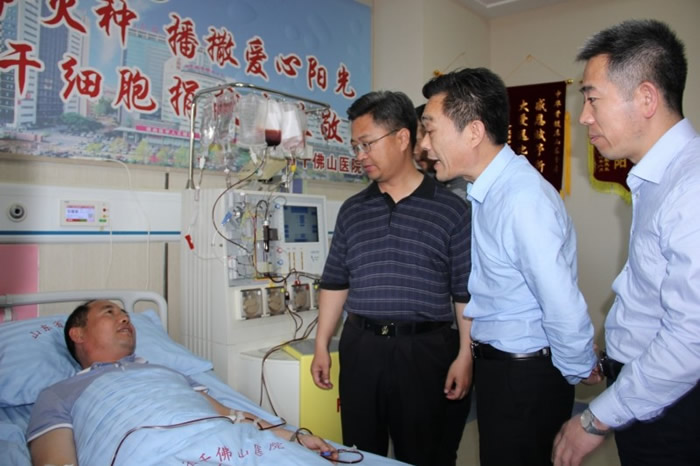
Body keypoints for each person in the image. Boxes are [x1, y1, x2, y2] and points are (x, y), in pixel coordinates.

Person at [420, 67, 599, 466]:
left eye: (430, 130)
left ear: (474, 131)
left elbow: (560, 299)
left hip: (525, 380)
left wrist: (579, 363)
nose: (425, 146)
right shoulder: (490, 192)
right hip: (506, 373)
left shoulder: (521, 199)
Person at [553, 19, 700, 466]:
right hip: (645, 388)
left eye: (592, 98)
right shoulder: (657, 179)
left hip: (674, 403)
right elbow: (649, 292)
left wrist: (594, 419)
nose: (584, 117)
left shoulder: (691, 187)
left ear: (647, 98)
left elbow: (690, 339)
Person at [311, 90, 473, 466]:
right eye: (355, 146)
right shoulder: (353, 211)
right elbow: (335, 282)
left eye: (367, 144)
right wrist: (321, 344)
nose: (360, 155)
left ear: (402, 138)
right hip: (361, 348)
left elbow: (465, 292)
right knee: (359, 451)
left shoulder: (451, 211)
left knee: (426, 453)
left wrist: (466, 355)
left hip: (425, 352)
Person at [27, 299, 337, 466]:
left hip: (230, 446)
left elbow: (229, 414)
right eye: (110, 313)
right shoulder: (57, 394)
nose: (125, 318)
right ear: (78, 334)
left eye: (126, 313)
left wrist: (293, 437)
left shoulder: (166, 372)